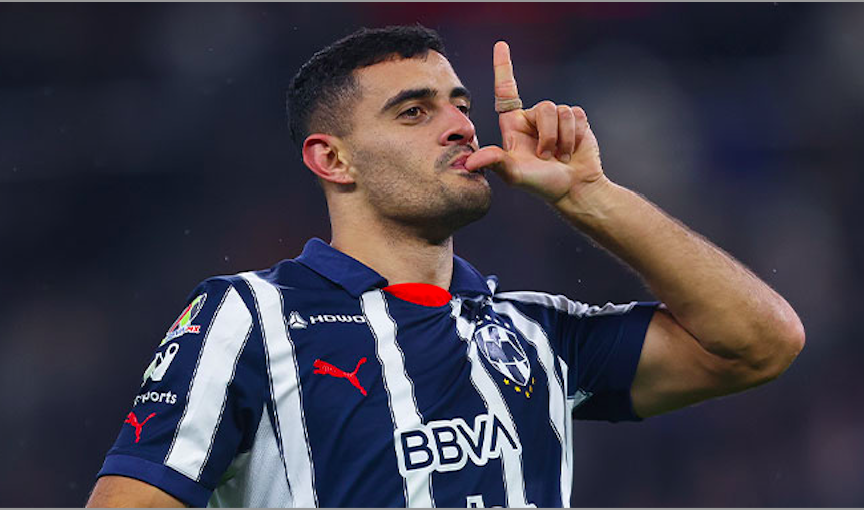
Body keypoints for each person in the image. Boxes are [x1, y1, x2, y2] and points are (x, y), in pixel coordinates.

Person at [87, 25, 804, 508]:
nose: (461, 126)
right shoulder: (248, 318)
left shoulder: (536, 334)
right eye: (414, 112)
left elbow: (761, 344)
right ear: (332, 158)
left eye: (460, 106)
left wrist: (592, 197)